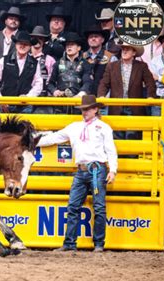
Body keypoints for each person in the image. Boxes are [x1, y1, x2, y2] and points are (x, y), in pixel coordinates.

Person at [38, 95, 118, 252]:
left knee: (99, 207)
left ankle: (98, 243)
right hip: (83, 171)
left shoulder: (104, 128)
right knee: (73, 206)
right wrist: (34, 140)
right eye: (83, 109)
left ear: (95, 109)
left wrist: (113, 170)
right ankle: (70, 243)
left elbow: (111, 150)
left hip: (97, 170)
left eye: (87, 109)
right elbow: (54, 138)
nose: (85, 112)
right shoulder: (74, 127)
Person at [0, 31, 42, 114]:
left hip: (25, 106)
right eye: (20, 43)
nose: (23, 46)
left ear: (30, 46)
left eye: (26, 44)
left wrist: (28, 97)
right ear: (16, 44)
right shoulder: (4, 60)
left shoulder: (34, 63)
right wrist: (0, 99)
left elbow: (39, 84)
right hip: (4, 104)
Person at [47, 32, 93, 113]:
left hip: (78, 103)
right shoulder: (57, 64)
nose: (69, 47)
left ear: (79, 48)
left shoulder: (86, 64)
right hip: (60, 104)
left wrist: (80, 94)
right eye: (67, 45)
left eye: (72, 44)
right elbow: (50, 83)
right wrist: (54, 91)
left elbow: (87, 82)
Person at [82, 24, 115, 96]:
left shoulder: (110, 57)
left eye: (96, 36)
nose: (93, 38)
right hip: (84, 99)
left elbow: (114, 81)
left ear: (102, 40)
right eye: (90, 37)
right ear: (87, 40)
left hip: (103, 99)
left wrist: (107, 98)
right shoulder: (82, 57)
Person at [30, 25, 56, 99]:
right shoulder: (24, 57)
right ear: (31, 39)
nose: (37, 40)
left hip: (43, 98)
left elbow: (52, 81)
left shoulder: (50, 60)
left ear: (44, 41)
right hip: (24, 96)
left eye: (40, 38)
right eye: (35, 38)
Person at [149, 31, 164, 108]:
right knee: (156, 120)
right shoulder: (155, 60)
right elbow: (153, 78)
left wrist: (160, 78)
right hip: (159, 99)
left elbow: (157, 78)